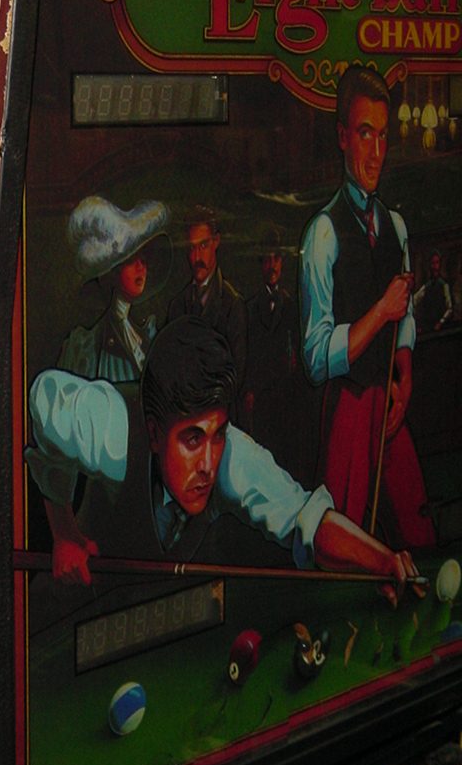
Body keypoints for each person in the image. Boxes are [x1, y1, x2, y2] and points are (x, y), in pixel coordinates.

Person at [25, 316, 420, 604]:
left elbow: (307, 520)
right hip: (74, 607)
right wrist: (64, 534)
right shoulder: (107, 427)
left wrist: (380, 561)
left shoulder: (232, 456)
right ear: (154, 432)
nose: (208, 464)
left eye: (217, 435)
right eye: (192, 439)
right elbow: (43, 399)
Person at [299, 65, 434, 548]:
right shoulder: (322, 234)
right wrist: (381, 311)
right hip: (349, 414)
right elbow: (316, 359)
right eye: (364, 134)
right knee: (344, 550)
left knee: (420, 537)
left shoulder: (395, 226)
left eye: (382, 136)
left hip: (389, 410)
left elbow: (406, 320)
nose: (376, 152)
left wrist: (405, 377)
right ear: (342, 137)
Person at [57, 195, 171, 383]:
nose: (141, 267)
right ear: (114, 270)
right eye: (131, 260)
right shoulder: (89, 346)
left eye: (143, 260)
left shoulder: (145, 334)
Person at [241, 229, 302, 475]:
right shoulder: (250, 309)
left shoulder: (292, 307)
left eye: (276, 259)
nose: (272, 265)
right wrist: (249, 391)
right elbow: (247, 354)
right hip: (262, 400)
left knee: (288, 460)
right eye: (267, 260)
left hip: (287, 399)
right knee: (264, 461)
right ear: (261, 264)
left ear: (282, 262)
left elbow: (298, 351)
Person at [166, 205, 246, 391]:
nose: (197, 257)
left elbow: (236, 377)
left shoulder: (232, 305)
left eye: (203, 245)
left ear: (216, 241)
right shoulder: (177, 306)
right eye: (192, 248)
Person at [413, 250, 453, 334]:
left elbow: (449, 309)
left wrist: (440, 322)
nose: (435, 267)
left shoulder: (444, 285)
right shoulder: (427, 286)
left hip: (442, 330)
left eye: (437, 263)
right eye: (432, 263)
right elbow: (414, 301)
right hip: (427, 329)